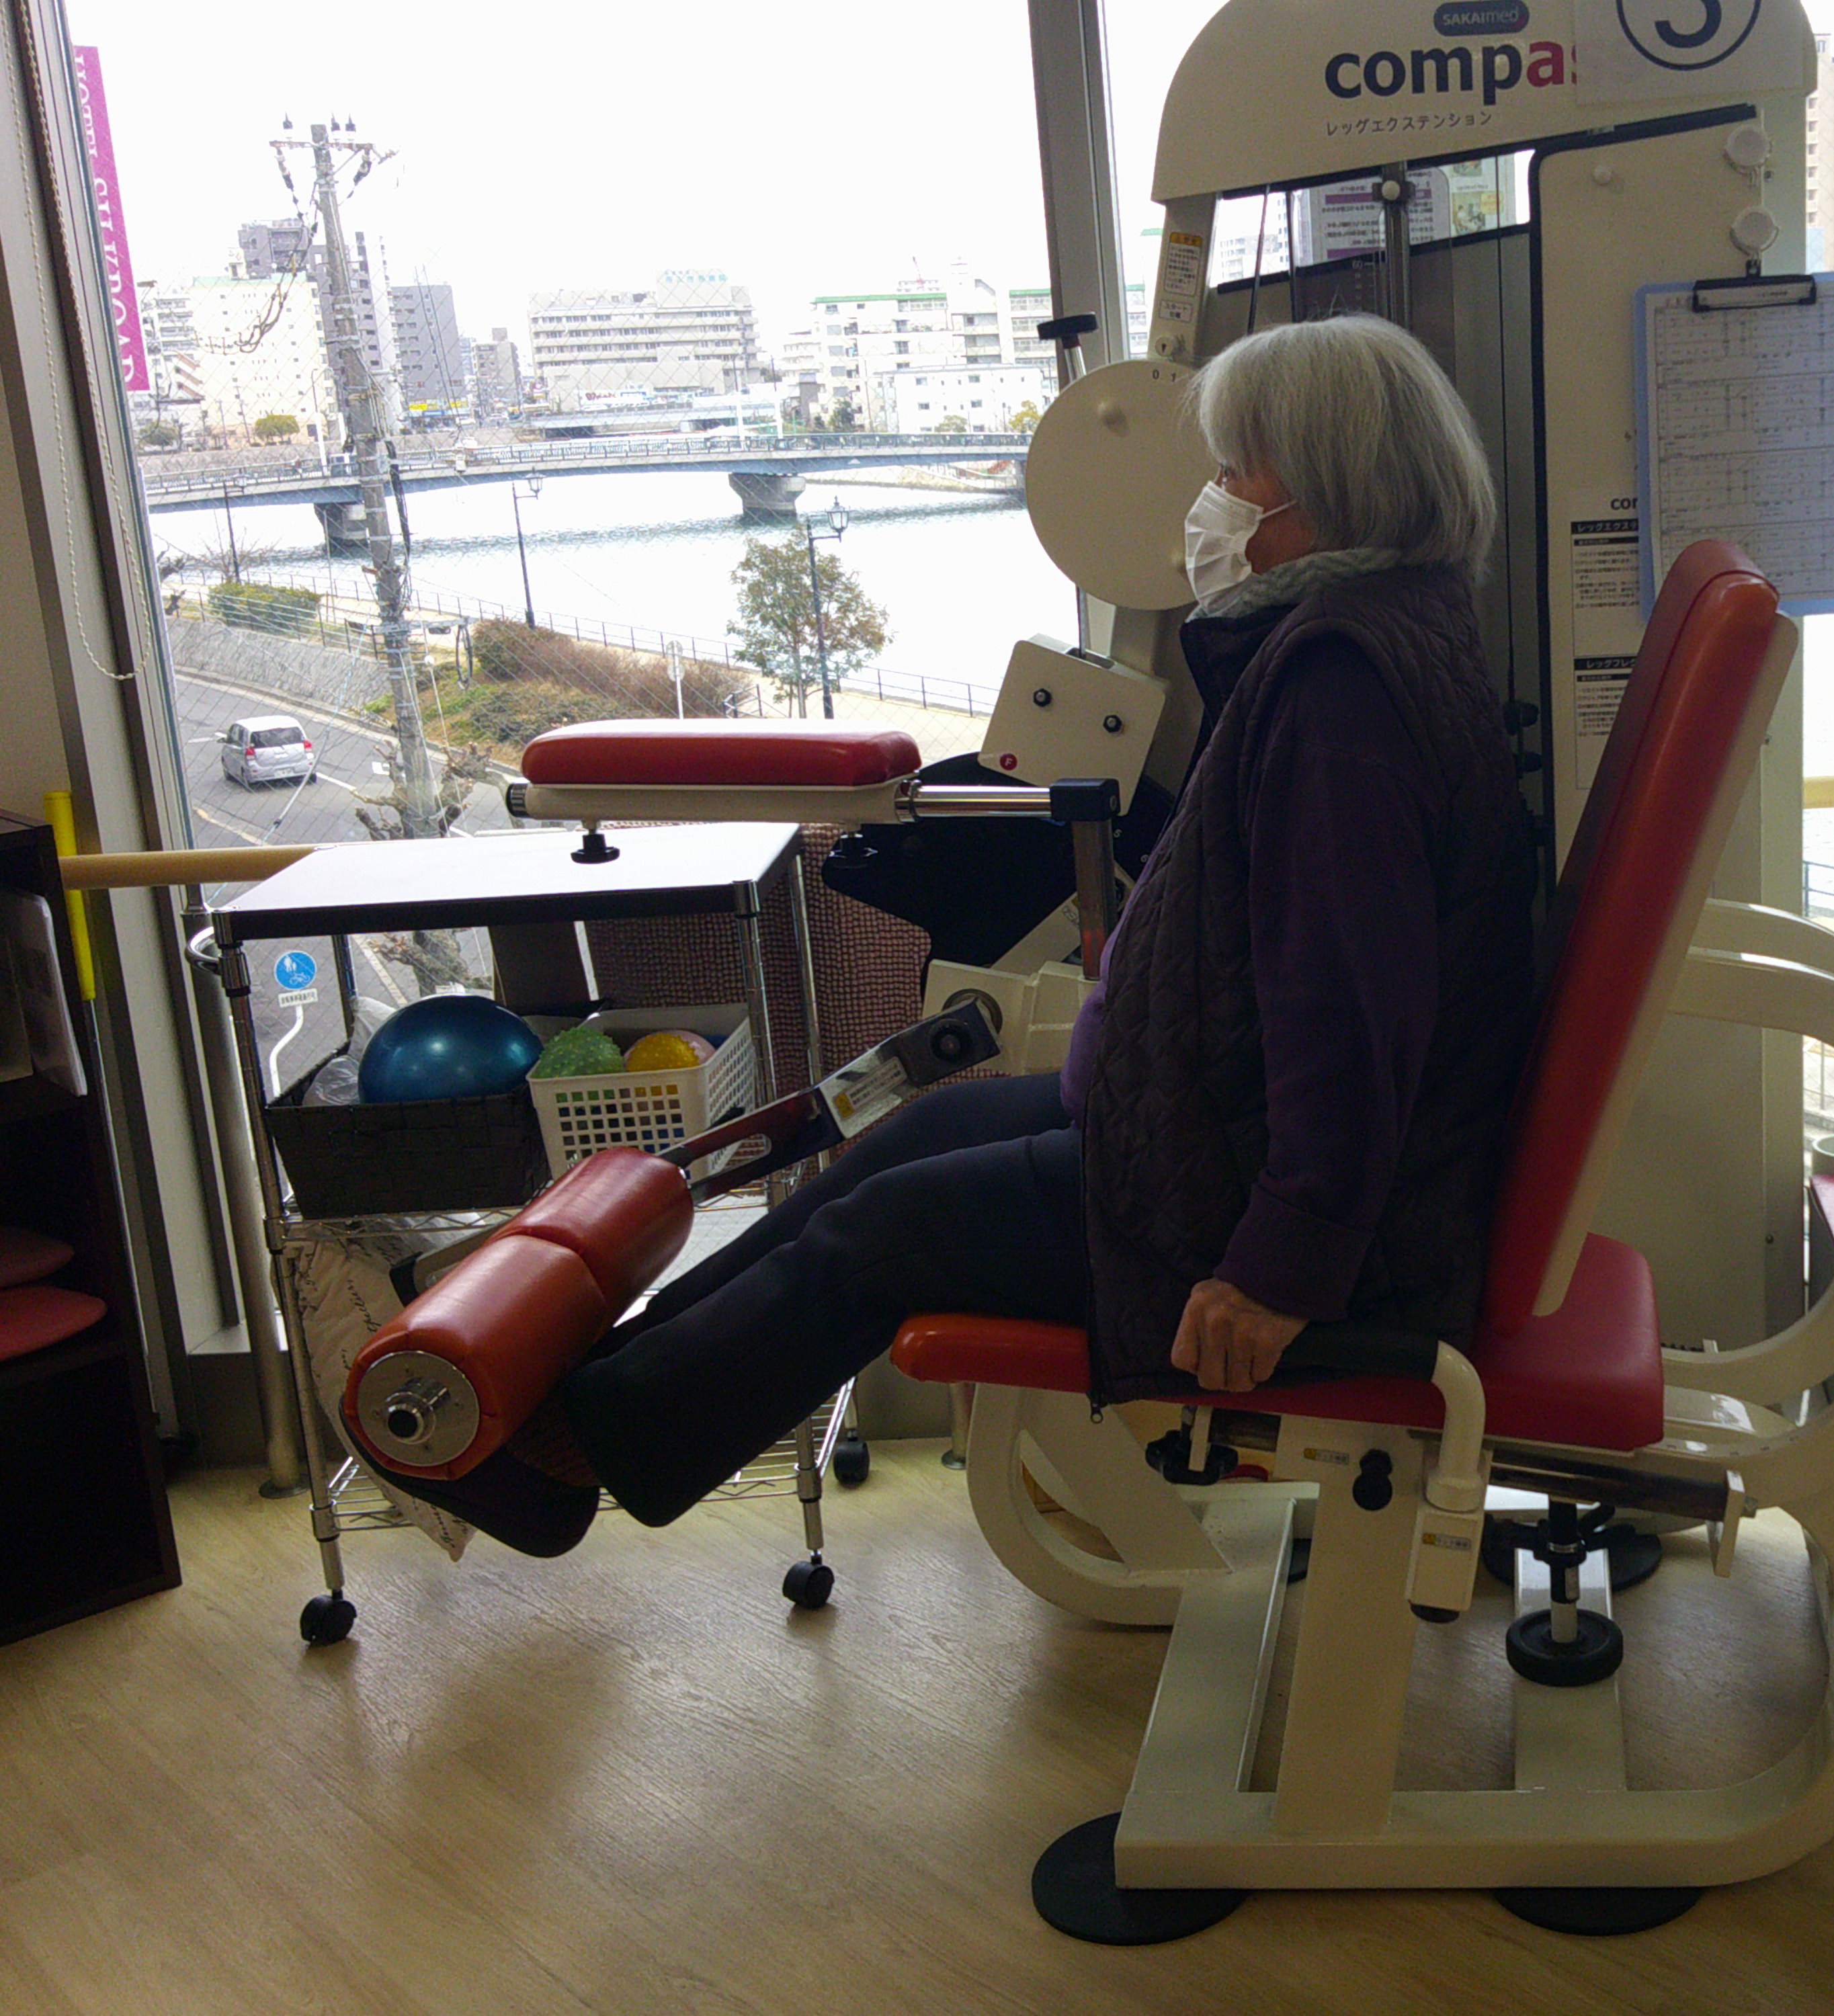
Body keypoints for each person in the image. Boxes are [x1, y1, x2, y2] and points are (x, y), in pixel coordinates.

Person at [355, 313, 1539, 1557]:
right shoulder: (1367, 639)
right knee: (906, 1140)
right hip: (1208, 1139)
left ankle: (580, 1452)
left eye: (1239, 471)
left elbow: (1349, 1011)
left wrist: (1283, 1266)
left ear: (1324, 498)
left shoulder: (1341, 692)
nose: (1216, 499)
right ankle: (575, 1394)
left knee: (889, 1235)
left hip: (1287, 1214)